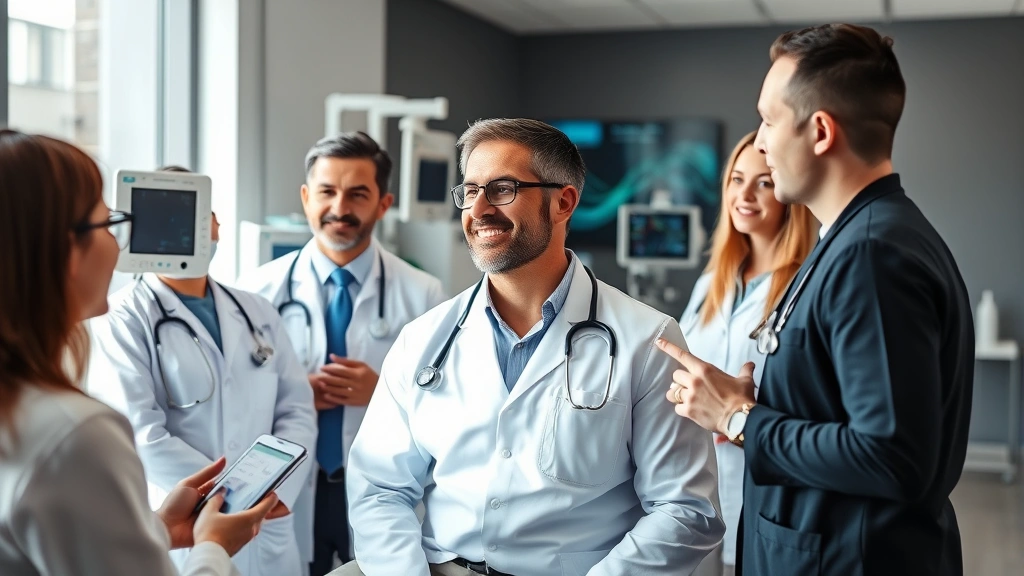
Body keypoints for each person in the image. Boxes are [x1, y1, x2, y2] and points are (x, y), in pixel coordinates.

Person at [335, 118, 724, 576]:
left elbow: (684, 509)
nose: (478, 209)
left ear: (564, 202)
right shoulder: (423, 339)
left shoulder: (646, 339)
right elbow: (379, 487)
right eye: (470, 190)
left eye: (502, 189)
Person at [657, 24, 973, 575]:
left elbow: (892, 456)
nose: (759, 142)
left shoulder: (873, 254)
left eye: (769, 120)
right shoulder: (854, 240)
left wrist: (739, 418)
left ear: (821, 131)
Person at [0, 129, 278, 575]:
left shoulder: (23, 411)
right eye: (110, 224)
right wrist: (213, 546)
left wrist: (159, 529)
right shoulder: (76, 437)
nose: (120, 244)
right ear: (68, 251)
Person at [88, 165, 318, 576]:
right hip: (186, 521)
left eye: (201, 214)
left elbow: (297, 408)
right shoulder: (124, 317)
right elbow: (142, 434)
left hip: (269, 517)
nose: (190, 227)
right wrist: (234, 493)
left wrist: (273, 487)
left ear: (215, 226)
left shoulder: (255, 309)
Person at [236, 132, 446, 575]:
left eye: (357, 194)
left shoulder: (423, 294)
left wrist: (383, 391)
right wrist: (292, 396)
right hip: (289, 486)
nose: (339, 208)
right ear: (306, 197)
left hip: (380, 489)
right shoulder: (257, 292)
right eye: (327, 192)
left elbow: (448, 412)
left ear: (383, 204)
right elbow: (234, 401)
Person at [682, 130, 816, 576]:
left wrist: (735, 413)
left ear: (787, 192)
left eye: (763, 182)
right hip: (693, 483)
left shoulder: (804, 287)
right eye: (737, 180)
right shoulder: (710, 284)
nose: (745, 194)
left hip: (758, 480)